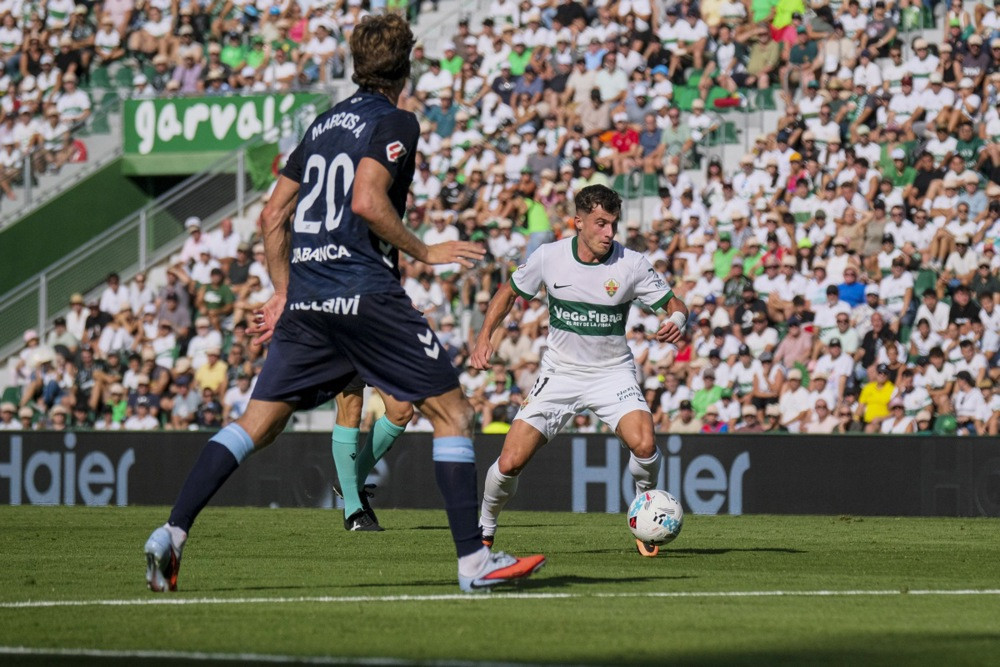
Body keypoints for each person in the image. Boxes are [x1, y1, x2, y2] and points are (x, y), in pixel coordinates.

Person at [144, 14, 544, 595]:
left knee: (257, 424)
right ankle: (473, 563)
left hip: (309, 295)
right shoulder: (395, 119)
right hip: (364, 290)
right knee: (452, 414)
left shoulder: (324, 124)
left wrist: (285, 291)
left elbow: (271, 215)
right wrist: (427, 250)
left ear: (356, 62)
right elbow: (366, 200)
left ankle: (173, 533)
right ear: (406, 65)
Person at [470, 184, 689, 558]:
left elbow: (673, 303)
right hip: (561, 373)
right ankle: (485, 527)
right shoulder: (549, 257)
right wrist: (484, 336)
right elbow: (508, 292)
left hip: (612, 373)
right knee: (510, 462)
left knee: (646, 443)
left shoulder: (630, 264)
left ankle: (643, 514)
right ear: (578, 222)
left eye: (613, 224)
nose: (609, 233)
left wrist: (679, 319)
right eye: (601, 224)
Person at [330, 377, 412, 531]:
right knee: (351, 411)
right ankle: (353, 512)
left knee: (401, 411)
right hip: (344, 352)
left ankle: (351, 483)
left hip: (380, 351)